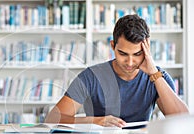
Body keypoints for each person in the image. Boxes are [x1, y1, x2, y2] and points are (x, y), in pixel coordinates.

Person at [45, 14, 189, 128]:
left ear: (147, 48)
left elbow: (183, 120)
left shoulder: (157, 77)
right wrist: (95, 121)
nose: (130, 62)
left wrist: (154, 74)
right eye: (123, 54)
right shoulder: (91, 77)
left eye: (137, 54)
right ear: (113, 46)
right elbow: (52, 120)